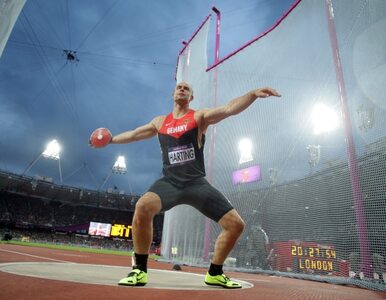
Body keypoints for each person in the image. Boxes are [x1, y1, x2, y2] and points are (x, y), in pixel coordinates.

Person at [91, 82, 281, 288]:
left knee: (236, 225)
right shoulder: (160, 122)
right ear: (173, 94)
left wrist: (252, 94)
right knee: (142, 206)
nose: (182, 89)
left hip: (196, 184)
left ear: (191, 97)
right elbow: (136, 134)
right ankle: (139, 271)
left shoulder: (199, 117)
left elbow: (228, 109)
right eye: (179, 87)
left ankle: (215, 273)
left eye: (186, 88)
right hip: (170, 182)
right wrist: (111, 140)